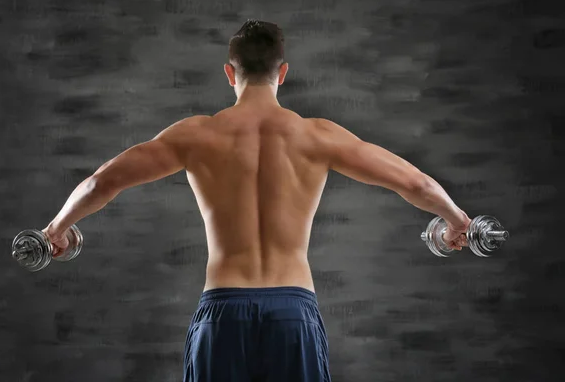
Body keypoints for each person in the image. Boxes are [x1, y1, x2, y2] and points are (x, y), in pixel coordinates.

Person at [42, 19, 471, 381]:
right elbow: (414, 183)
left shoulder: (196, 135)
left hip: (222, 314)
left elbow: (101, 183)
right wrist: (456, 220)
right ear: (282, 72)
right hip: (293, 314)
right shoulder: (317, 135)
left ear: (230, 73)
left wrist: (56, 229)